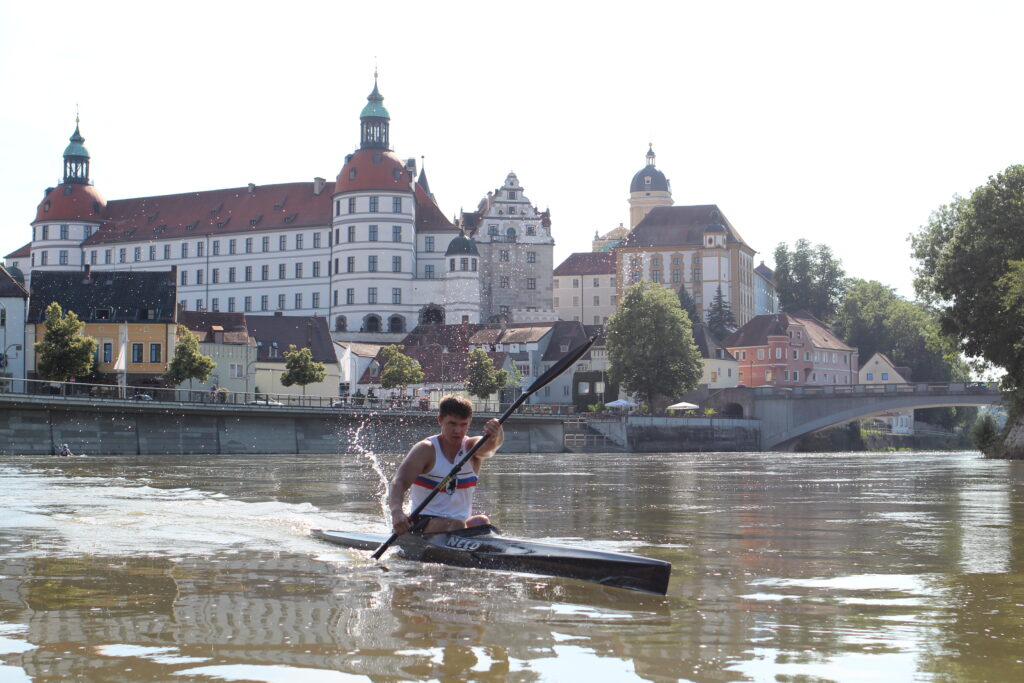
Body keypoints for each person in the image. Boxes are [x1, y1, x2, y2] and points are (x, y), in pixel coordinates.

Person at [388, 394, 504, 535]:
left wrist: (496, 434)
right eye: (452, 424)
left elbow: (489, 445)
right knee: (456, 524)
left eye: (464, 424)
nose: (458, 431)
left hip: (459, 526)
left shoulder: (471, 448)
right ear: (440, 420)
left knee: (482, 522)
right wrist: (396, 512)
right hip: (422, 522)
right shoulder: (426, 449)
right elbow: (399, 482)